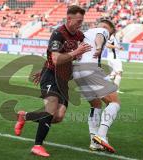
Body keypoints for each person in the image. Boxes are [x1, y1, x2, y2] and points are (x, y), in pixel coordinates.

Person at [14, 5, 91, 157]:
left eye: (82, 21)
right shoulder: (58, 34)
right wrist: (76, 52)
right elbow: (55, 58)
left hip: (63, 80)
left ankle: (25, 116)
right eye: (78, 21)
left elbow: (61, 57)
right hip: (50, 76)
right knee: (50, 109)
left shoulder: (79, 36)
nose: (80, 24)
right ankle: (37, 146)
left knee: (58, 116)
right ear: (69, 19)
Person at [72, 19, 120, 153]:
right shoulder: (102, 30)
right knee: (114, 102)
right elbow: (100, 36)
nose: (109, 37)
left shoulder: (86, 33)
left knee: (96, 104)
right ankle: (102, 135)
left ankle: (94, 141)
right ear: (108, 28)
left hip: (77, 72)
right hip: (90, 69)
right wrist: (99, 47)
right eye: (110, 35)